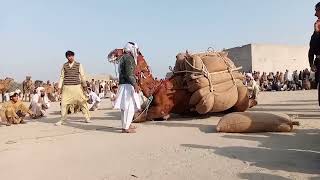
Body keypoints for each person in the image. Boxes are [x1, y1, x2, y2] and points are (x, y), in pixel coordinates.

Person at [55, 50, 91, 126]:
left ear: (73, 56)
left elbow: (82, 75)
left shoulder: (78, 64)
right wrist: (59, 88)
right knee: (64, 104)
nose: (70, 57)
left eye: (71, 56)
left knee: (82, 102)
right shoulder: (64, 65)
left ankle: (87, 118)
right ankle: (63, 119)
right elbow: (62, 77)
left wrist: (84, 86)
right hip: (66, 88)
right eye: (69, 56)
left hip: (77, 87)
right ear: (67, 57)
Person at [114, 42, 141, 133]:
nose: (137, 51)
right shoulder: (129, 58)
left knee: (124, 108)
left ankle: (127, 125)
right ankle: (125, 128)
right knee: (129, 108)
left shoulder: (122, 58)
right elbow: (129, 74)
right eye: (136, 49)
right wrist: (135, 84)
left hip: (123, 85)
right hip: (127, 86)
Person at [309, 2, 320, 105]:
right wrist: (311, 63)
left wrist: (317, 32)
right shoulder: (317, 25)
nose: (315, 14)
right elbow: (312, 47)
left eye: (316, 11)